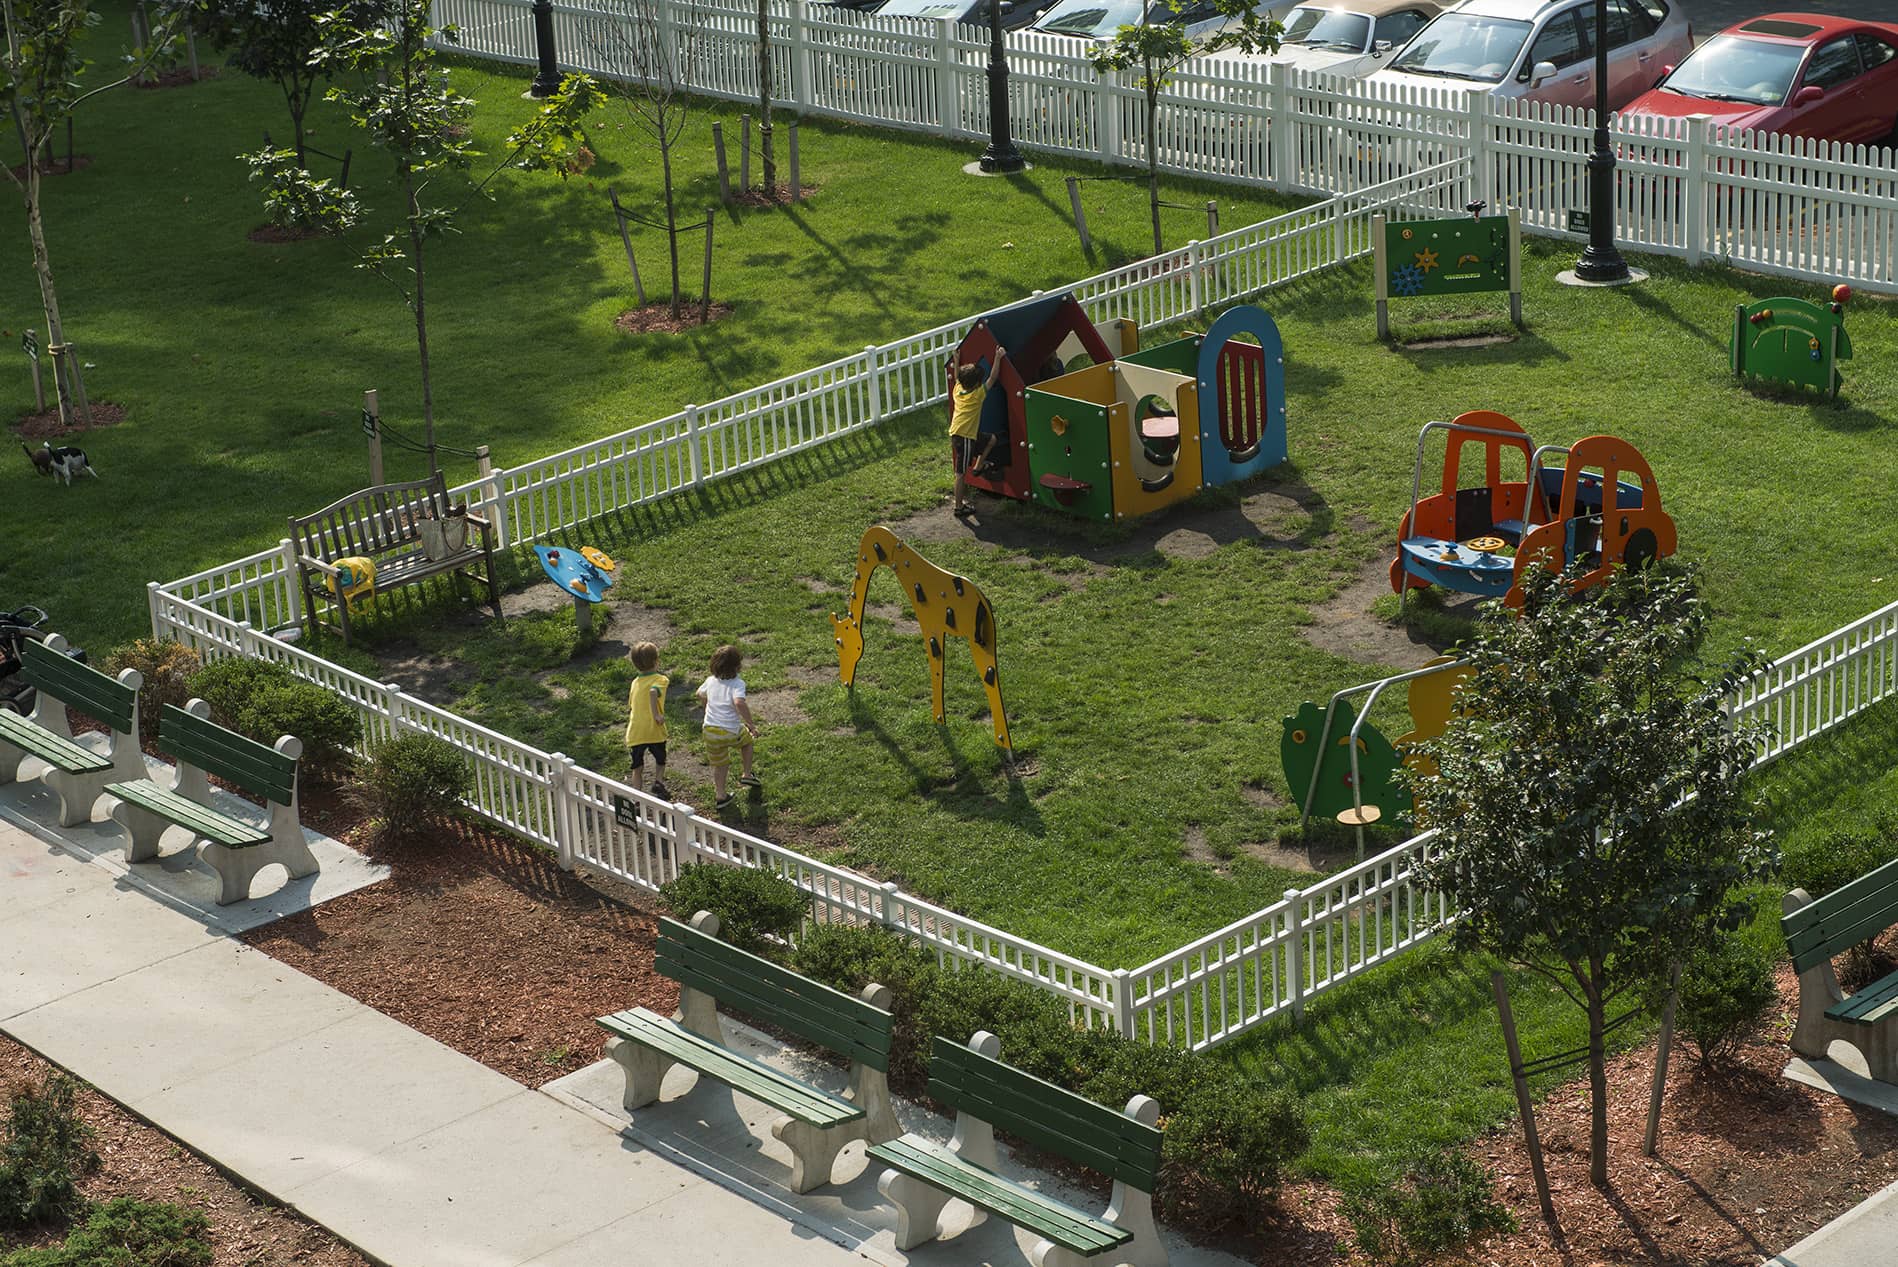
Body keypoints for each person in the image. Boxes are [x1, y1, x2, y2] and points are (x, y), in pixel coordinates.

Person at [696, 644, 759, 809]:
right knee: (747, 742)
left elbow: (699, 694)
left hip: (709, 730)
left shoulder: (710, 681)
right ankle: (746, 773)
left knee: (720, 764)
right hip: (730, 729)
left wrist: (706, 707)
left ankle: (721, 796)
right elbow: (739, 702)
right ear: (738, 666)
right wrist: (750, 724)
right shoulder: (737, 683)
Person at [949, 346, 1005, 519]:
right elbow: (993, 377)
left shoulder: (958, 390)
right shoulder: (977, 395)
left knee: (992, 440)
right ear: (976, 385)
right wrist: (998, 357)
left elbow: (958, 376)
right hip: (963, 438)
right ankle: (958, 507)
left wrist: (957, 360)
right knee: (960, 474)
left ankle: (978, 467)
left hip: (961, 434)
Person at [624, 641, 670, 801]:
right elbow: (652, 692)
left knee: (637, 767)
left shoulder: (635, 682)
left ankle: (636, 797)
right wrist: (656, 714)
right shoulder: (661, 679)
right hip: (653, 730)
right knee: (660, 759)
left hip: (636, 731)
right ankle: (658, 781)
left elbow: (631, 705)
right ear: (656, 661)